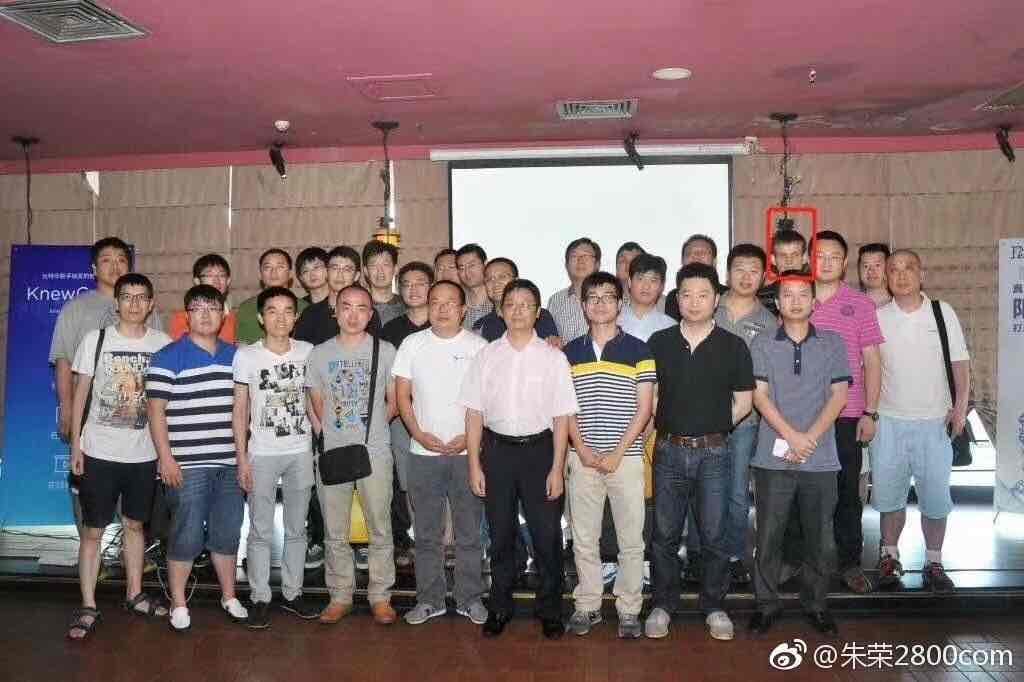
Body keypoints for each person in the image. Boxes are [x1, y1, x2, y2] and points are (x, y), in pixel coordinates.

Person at [460, 279, 578, 640]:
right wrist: (474, 464)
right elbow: (474, 413)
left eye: (525, 304)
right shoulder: (486, 355)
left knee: (546, 536)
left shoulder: (554, 358)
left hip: (540, 452)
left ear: (538, 312)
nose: (517, 310)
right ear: (500, 310)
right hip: (497, 452)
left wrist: (557, 468)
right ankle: (500, 606)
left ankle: (550, 610)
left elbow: (562, 417)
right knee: (500, 534)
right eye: (510, 304)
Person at [644, 263, 753, 642]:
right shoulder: (659, 342)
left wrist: (714, 426)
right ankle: (662, 605)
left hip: (714, 453)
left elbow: (744, 402)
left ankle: (714, 606)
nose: (694, 302)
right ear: (677, 299)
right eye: (687, 295)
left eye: (703, 295)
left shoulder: (733, 345)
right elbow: (652, 396)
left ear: (716, 299)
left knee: (714, 533)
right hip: (669, 451)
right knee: (664, 533)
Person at [66, 273, 172, 640]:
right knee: (93, 531)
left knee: (135, 526)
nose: (134, 303)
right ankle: (88, 604)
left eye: (141, 297)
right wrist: (76, 446)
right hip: (98, 451)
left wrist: (165, 453)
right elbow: (80, 395)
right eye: (127, 296)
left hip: (143, 454)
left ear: (151, 303)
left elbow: (167, 404)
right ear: (117, 303)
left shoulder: (163, 344)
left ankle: (134, 594)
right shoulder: (95, 340)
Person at [747, 273, 850, 638]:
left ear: (814, 301)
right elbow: (759, 396)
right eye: (787, 295)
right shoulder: (762, 343)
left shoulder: (833, 343)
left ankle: (817, 604)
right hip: (772, 457)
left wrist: (808, 439)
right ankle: (765, 605)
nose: (795, 301)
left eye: (803, 294)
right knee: (768, 536)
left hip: (820, 458)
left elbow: (839, 396)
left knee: (820, 537)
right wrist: (792, 436)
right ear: (777, 302)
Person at [146, 284, 248, 632]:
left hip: (229, 463)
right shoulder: (167, 356)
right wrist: (166, 459)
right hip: (186, 465)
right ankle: (178, 603)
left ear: (224, 314)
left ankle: (229, 596)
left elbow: (242, 410)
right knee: (186, 534)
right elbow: (155, 412)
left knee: (227, 533)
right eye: (198, 308)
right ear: (186, 316)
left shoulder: (237, 356)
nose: (206, 314)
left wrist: (243, 459)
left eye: (213, 307)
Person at [871, 250, 968, 594]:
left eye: (908, 268)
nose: (901, 275)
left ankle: (934, 561)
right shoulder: (877, 317)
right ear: (886, 278)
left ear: (921, 274)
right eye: (893, 270)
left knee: (936, 498)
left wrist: (960, 408)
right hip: (889, 422)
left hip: (934, 423)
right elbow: (869, 369)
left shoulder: (942, 312)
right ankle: (889, 556)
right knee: (889, 496)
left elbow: (960, 365)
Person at [392, 280, 489, 625]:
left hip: (467, 455)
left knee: (468, 533)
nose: (442, 308)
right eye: (435, 302)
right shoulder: (412, 344)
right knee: (427, 534)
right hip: (423, 453)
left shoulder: (479, 346)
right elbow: (402, 396)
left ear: (463, 310)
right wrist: (418, 433)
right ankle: (429, 600)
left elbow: (487, 399)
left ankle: (470, 598)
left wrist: (469, 439)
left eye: (450, 303)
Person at [564, 272, 654, 639]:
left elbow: (644, 409)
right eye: (593, 298)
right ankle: (587, 604)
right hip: (581, 457)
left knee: (631, 539)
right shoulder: (569, 352)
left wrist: (618, 452)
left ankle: (629, 608)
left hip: (626, 458)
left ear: (620, 304)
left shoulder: (639, 350)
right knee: (584, 537)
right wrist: (583, 449)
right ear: (583, 306)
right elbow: (565, 409)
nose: (601, 303)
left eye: (608, 297)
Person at [306, 284, 399, 625]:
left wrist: (369, 432)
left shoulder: (385, 350)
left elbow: (394, 402)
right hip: (333, 451)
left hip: (374, 450)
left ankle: (380, 596)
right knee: (335, 530)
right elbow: (315, 402)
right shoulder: (319, 354)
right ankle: (340, 596)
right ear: (336, 311)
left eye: (362, 308)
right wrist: (329, 435)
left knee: (380, 527)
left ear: (371, 314)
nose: (354, 314)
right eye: (346, 306)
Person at [686, 244, 777, 585]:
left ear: (764, 277)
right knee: (699, 489)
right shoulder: (709, 304)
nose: (746, 276)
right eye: (739, 269)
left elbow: (766, 377)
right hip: (699, 417)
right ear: (726, 273)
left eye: (754, 271)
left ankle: (735, 555)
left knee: (737, 493)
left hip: (745, 421)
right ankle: (697, 555)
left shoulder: (769, 322)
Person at [232, 286, 321, 629]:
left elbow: (314, 401)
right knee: (260, 529)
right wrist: (242, 458)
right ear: (260, 317)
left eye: (287, 311)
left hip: (300, 450)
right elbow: (240, 409)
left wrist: (321, 441)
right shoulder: (246, 356)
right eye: (272, 311)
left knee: (298, 528)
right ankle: (259, 597)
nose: (280, 318)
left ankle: (293, 593)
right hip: (262, 453)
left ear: (296, 317)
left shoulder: (308, 352)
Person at [808, 230, 884, 594]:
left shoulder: (860, 304)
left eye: (833, 257)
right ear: (808, 259)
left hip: (848, 414)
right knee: (800, 491)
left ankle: (850, 562)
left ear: (844, 263)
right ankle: (800, 561)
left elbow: (873, 360)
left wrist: (871, 411)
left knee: (846, 493)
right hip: (801, 417)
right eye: (819, 255)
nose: (825, 263)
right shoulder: (794, 298)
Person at [51, 237, 165, 446]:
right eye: (106, 260)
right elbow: (63, 361)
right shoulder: (75, 308)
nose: (115, 266)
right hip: (88, 409)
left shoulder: (147, 309)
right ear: (94, 269)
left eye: (121, 260)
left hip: (141, 412)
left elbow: (161, 363)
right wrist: (67, 409)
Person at [293, 245, 363, 570]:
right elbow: (305, 370)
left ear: (357, 274)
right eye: (334, 267)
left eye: (347, 269)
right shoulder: (311, 315)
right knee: (320, 477)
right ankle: (319, 538)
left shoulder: (364, 310)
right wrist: (316, 418)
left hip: (356, 411)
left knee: (360, 475)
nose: (339, 275)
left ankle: (359, 540)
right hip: (319, 410)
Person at [381, 262, 437, 567]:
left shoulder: (443, 324)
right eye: (406, 284)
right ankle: (417, 540)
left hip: (441, 414)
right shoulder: (391, 330)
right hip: (401, 418)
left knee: (443, 478)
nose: (413, 290)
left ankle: (445, 542)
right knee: (407, 481)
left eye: (420, 283)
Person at [472, 257, 560, 344]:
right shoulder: (480, 325)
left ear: (516, 280)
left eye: (502, 277)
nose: (496, 283)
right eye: (489, 279)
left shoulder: (539, 316)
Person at [236, 248, 308, 344]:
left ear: (290, 273)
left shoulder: (305, 308)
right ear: (260, 274)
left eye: (280, 267)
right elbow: (242, 345)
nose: (274, 272)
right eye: (268, 267)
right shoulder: (246, 308)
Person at [168, 254, 237, 343]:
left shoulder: (234, 318)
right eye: (209, 275)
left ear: (228, 281)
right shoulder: (183, 318)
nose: (216, 281)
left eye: (222, 275)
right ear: (197, 281)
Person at [547, 238, 601, 345]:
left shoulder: (611, 297)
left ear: (597, 264)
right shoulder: (555, 300)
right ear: (566, 265)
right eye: (574, 256)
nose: (580, 260)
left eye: (586, 256)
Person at [618, 253, 675, 342]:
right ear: (629, 282)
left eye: (653, 280)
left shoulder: (671, 327)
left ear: (662, 286)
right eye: (640, 278)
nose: (646, 286)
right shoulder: (613, 320)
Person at [665, 234, 721, 321]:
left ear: (714, 261)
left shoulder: (726, 295)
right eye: (689, 253)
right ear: (682, 261)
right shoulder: (673, 297)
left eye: (703, 253)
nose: (696, 256)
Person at [758, 230, 808, 316]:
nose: (789, 261)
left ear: (804, 258)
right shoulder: (762, 297)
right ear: (773, 260)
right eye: (783, 255)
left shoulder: (815, 294)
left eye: (794, 255)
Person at [363, 239, 406, 326]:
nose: (380, 271)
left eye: (385, 264)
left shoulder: (407, 305)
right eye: (373, 265)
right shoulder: (358, 304)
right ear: (366, 271)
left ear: (395, 269)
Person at [456, 243, 492, 329]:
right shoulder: (458, 302)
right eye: (462, 268)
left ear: (485, 264)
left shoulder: (498, 300)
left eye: (471, 265)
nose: (467, 272)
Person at [858, 242, 892, 308]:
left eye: (877, 265)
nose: (870, 271)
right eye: (866, 266)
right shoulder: (850, 304)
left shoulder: (900, 303)